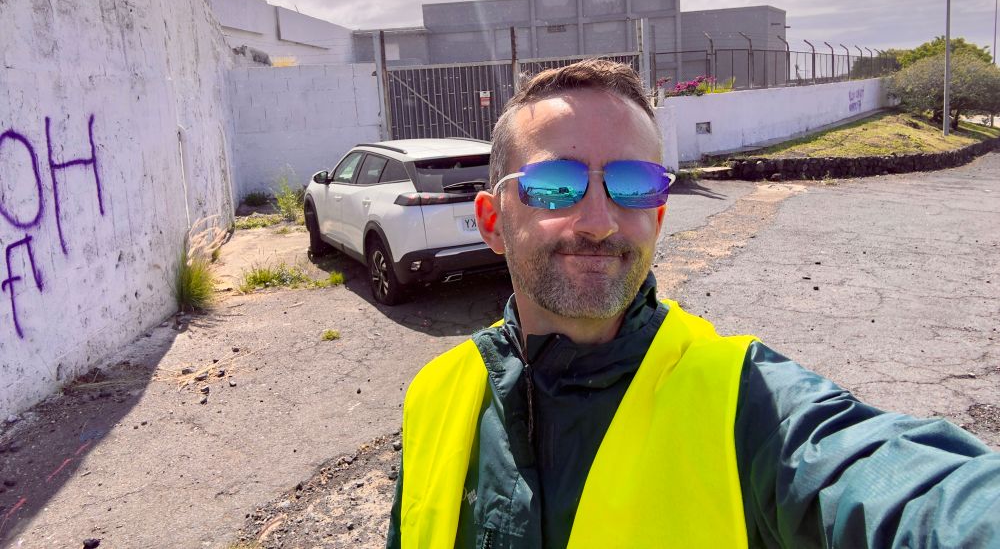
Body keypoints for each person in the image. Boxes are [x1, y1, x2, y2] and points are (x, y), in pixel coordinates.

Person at [386, 59, 999, 548]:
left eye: (632, 185)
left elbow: (908, 490)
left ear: (657, 216)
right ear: (492, 221)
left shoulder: (746, 402)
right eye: (555, 185)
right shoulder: (434, 397)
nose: (599, 221)